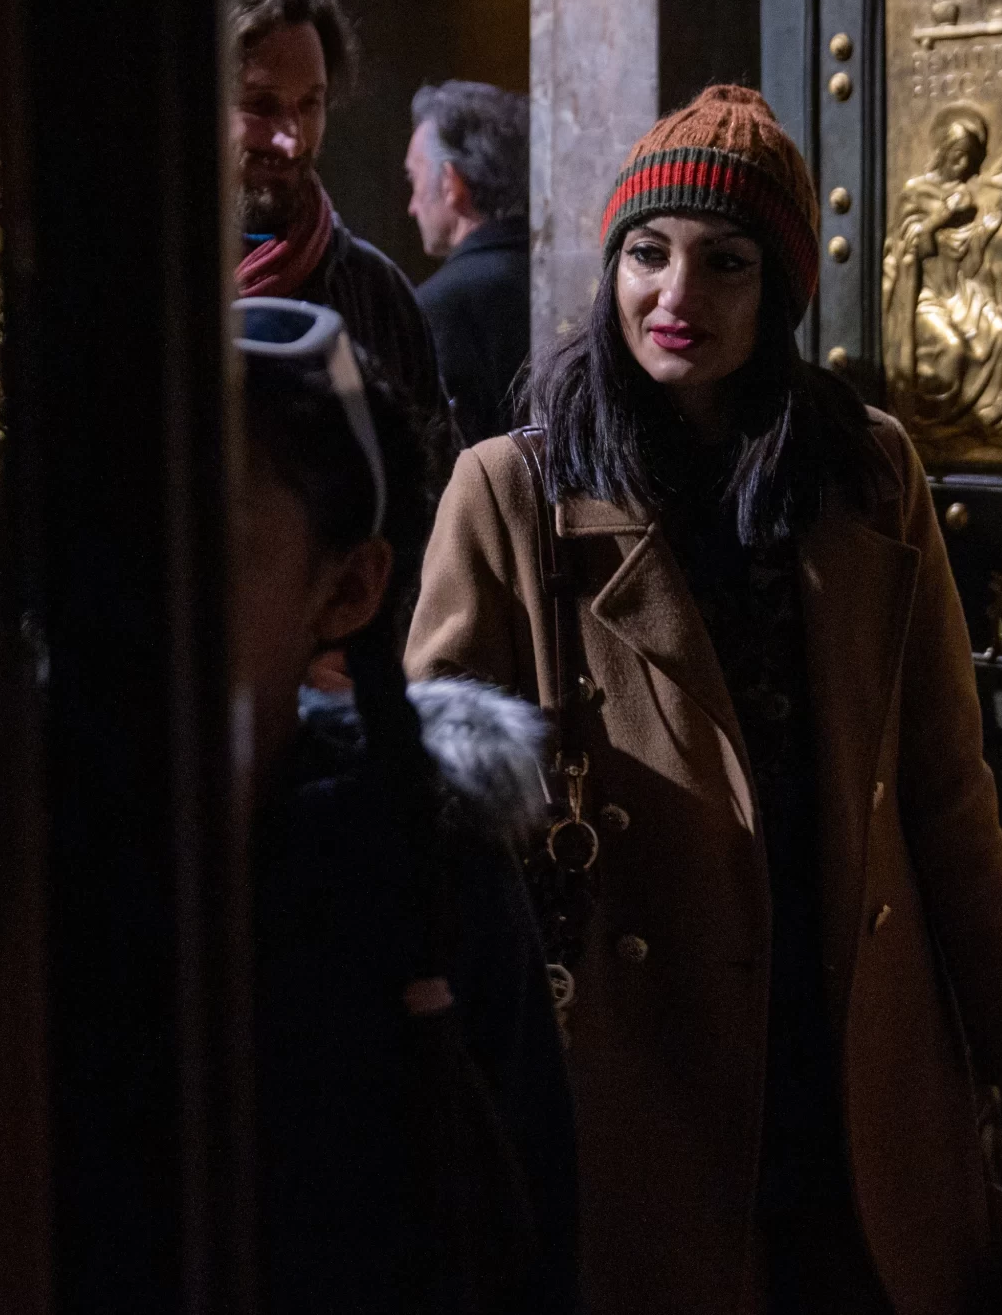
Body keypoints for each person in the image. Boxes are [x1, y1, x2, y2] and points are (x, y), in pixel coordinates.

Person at [409, 84, 1002, 1314]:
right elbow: (433, 806)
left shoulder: (864, 471)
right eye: (646, 257)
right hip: (630, 1058)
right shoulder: (513, 489)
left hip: (849, 1042)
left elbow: (941, 786)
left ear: (776, 292)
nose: (677, 300)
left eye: (724, 265)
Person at [237, 299, 576, 1312]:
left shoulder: (416, 865)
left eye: (215, 537)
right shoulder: (62, 852)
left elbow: (531, 1224)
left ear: (347, 592)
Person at [229, 0, 451, 474]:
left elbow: (433, 496)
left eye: (311, 103)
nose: (293, 140)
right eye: (261, 105)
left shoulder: (376, 293)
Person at [407, 81, 533, 447]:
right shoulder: (565, 279)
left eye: (413, 181)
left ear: (450, 183)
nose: (411, 206)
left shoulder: (435, 306)